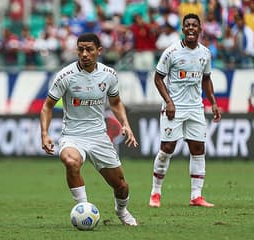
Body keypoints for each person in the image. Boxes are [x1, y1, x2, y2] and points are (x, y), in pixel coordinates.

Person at [40, 33, 139, 226]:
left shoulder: (109, 75)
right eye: (80, 49)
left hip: (99, 137)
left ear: (99, 51)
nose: (84, 54)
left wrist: (125, 124)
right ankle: (83, 209)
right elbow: (47, 106)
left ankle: (122, 211)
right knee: (70, 161)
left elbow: (116, 102)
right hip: (72, 136)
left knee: (121, 186)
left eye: (89, 49)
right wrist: (44, 134)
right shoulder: (65, 76)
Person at [148, 13, 222, 208]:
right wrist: (169, 102)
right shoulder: (171, 52)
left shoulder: (205, 53)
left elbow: (206, 79)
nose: (190, 28)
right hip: (174, 108)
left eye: (194, 25)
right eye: (187, 25)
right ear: (183, 29)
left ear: (199, 29)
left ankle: (196, 196)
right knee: (167, 149)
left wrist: (213, 102)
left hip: (196, 108)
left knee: (198, 149)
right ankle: (155, 193)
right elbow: (158, 78)